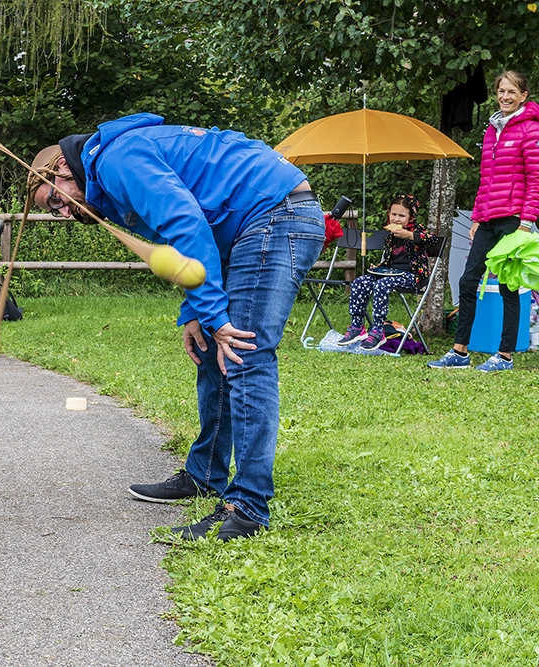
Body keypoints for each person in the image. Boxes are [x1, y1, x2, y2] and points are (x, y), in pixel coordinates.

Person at [27, 113, 325, 540]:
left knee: (243, 352)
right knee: (211, 348)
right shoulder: (111, 173)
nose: (62, 213)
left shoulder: (116, 161)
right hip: (244, 227)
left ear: (60, 169)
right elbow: (186, 234)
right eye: (53, 212)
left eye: (54, 201)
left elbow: (188, 224)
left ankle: (248, 508)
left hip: (275, 215)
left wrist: (219, 318)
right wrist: (195, 313)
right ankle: (205, 475)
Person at [428, 70, 539, 372]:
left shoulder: (530, 129)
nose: (505, 97)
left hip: (514, 220)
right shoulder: (492, 129)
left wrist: (527, 222)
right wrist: (477, 216)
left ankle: (504, 355)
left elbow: (535, 179)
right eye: (501, 91)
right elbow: (486, 179)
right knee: (467, 280)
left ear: (523, 96)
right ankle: (459, 352)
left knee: (507, 286)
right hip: (488, 219)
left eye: (512, 92)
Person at [337, 194, 439, 350]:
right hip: (390, 273)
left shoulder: (416, 230)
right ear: (388, 215)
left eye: (402, 215)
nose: (397, 219)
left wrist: (410, 236)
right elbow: (391, 260)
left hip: (412, 276)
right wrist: (379, 266)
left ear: (411, 217)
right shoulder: (390, 236)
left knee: (382, 285)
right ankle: (357, 326)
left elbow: (433, 240)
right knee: (360, 282)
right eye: (394, 214)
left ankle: (378, 330)